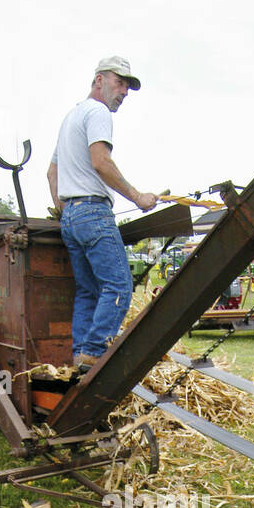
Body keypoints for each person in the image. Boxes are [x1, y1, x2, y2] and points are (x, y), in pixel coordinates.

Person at [48, 56, 158, 368]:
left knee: (88, 291)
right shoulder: (97, 112)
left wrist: (66, 211)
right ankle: (96, 353)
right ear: (99, 80)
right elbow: (100, 161)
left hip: (71, 216)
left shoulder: (71, 117)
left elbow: (51, 173)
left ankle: (81, 354)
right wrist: (137, 197)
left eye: (127, 86)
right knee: (120, 285)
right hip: (93, 212)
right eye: (119, 82)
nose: (124, 91)